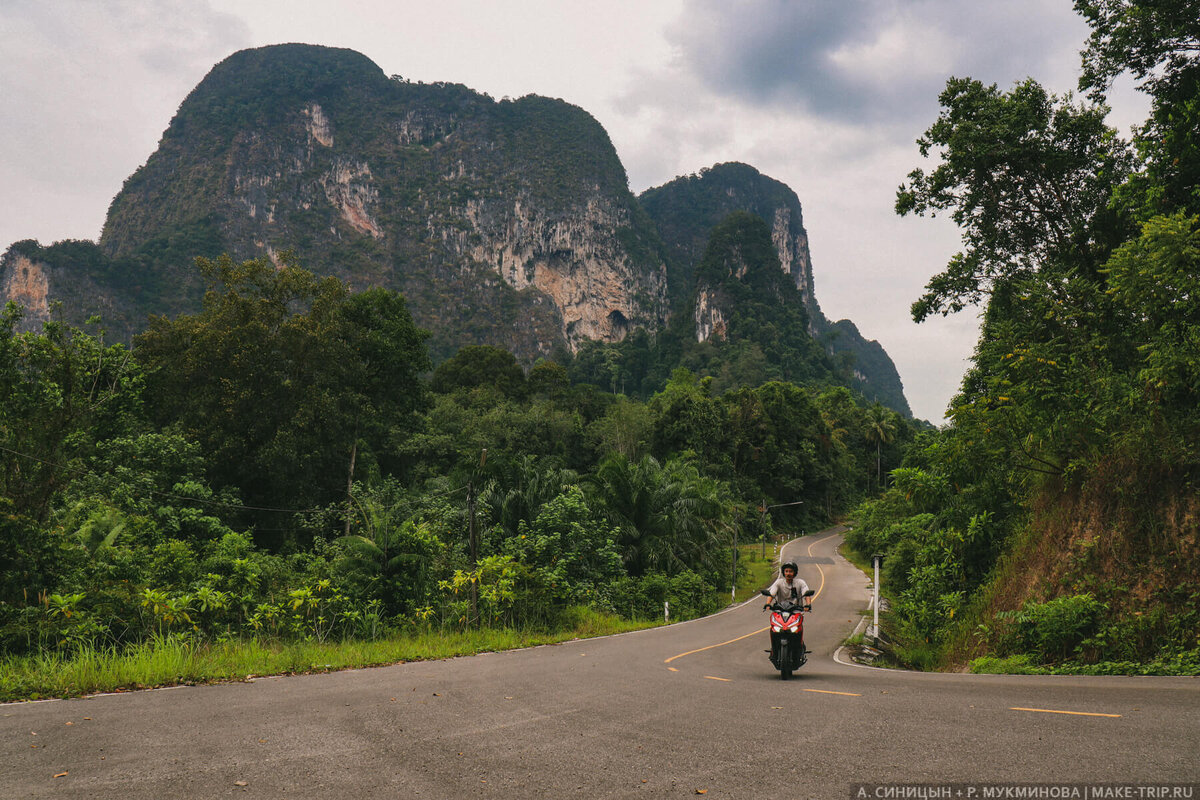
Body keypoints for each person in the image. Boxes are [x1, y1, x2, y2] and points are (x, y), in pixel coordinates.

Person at [764, 561, 812, 650]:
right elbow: (771, 594)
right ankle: (774, 648)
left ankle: (800, 645)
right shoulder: (778, 582)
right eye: (786, 571)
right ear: (783, 572)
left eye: (790, 571)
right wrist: (768, 604)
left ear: (794, 573)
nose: (788, 573)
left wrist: (807, 605)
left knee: (798, 629)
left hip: (795, 612)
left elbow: (806, 594)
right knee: (774, 629)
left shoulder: (800, 583)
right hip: (780, 611)